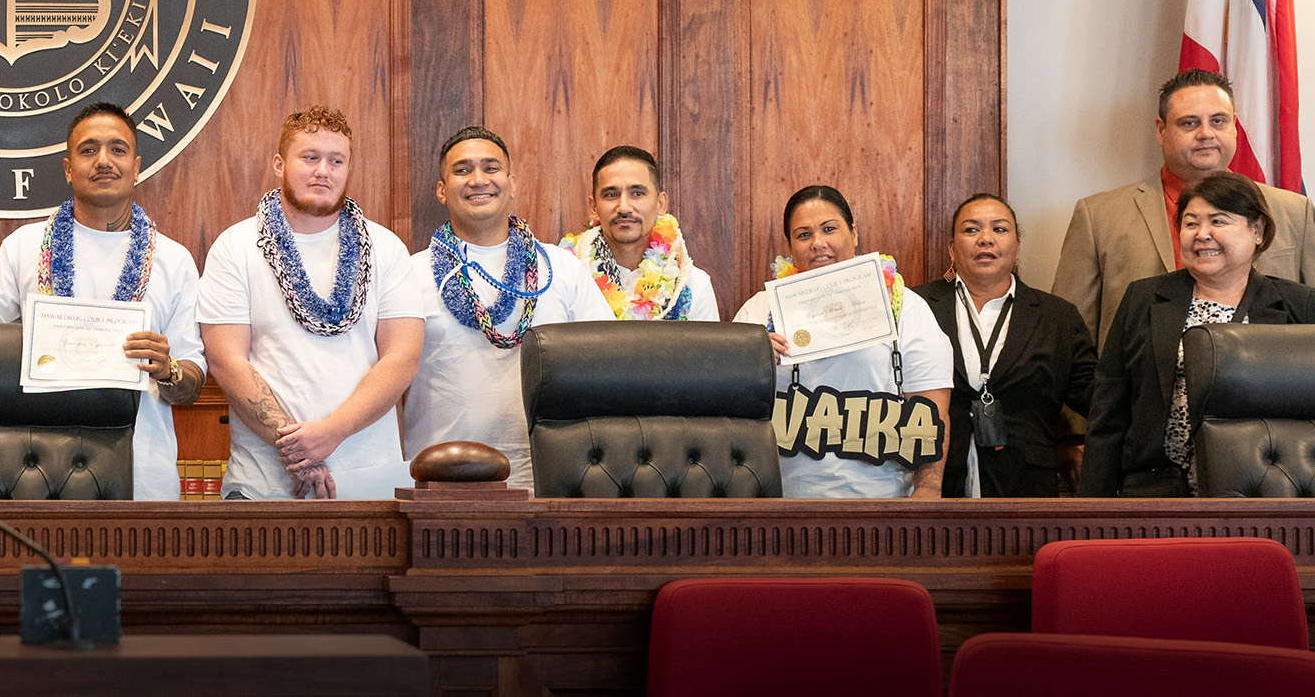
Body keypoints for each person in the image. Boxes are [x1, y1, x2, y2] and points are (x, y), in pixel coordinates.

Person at [0, 104, 204, 501]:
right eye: (89, 150)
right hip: (38, 473)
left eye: (118, 149)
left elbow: (192, 381)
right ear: (67, 167)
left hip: (141, 476)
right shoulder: (25, 246)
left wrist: (169, 369)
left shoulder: (174, 259)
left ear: (137, 165)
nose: (104, 161)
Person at [197, 105, 430, 500]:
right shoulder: (234, 247)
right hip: (263, 484)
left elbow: (402, 358)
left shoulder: (386, 248)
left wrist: (333, 431)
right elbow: (226, 360)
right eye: (309, 157)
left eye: (336, 160)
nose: (323, 170)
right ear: (279, 164)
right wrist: (301, 452)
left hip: (369, 481)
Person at [1081, 172, 1315, 497]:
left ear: (1257, 230)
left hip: (1266, 492)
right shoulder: (1143, 299)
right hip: (1155, 492)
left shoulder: (1299, 305)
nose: (1202, 235)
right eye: (1190, 223)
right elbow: (1108, 413)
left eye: (1218, 221)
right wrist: (1094, 507)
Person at [1054, 68, 1315, 349]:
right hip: (1141, 392)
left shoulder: (1293, 211)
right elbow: (1070, 339)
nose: (1206, 134)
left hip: (1268, 390)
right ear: (1161, 130)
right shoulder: (1098, 216)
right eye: (1189, 123)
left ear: (1235, 126)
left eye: (1218, 121)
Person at [402, 127, 609, 490]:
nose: (478, 179)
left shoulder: (561, 268)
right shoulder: (408, 274)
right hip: (440, 481)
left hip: (549, 478)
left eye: (491, 168)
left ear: (512, 183)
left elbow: (608, 361)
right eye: (462, 170)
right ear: (441, 189)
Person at [731, 185, 952, 498]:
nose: (819, 243)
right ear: (791, 246)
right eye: (804, 234)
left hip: (881, 499)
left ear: (854, 233)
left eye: (830, 229)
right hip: (779, 502)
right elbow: (727, 410)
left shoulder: (906, 307)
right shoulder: (758, 309)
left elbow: (932, 409)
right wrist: (752, 360)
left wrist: (928, 488)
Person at [913, 194, 1095, 497]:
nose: (986, 239)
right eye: (971, 230)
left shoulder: (1057, 317)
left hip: (1026, 487)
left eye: (999, 229)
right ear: (951, 248)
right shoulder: (916, 307)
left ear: (1018, 246)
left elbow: (1097, 399)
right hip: (934, 485)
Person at [560, 145, 719, 321]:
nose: (624, 207)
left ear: (660, 204)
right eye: (611, 195)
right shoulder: (566, 277)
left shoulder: (693, 286)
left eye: (637, 193)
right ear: (594, 207)